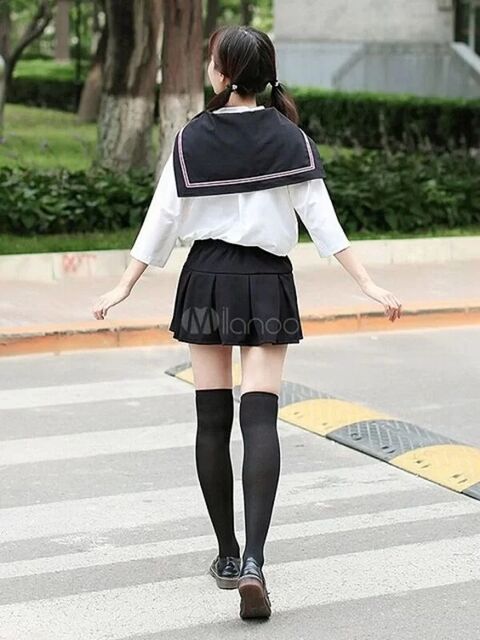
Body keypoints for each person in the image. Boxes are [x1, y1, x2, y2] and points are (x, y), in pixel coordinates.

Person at [92, 25, 402, 621]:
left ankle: (229, 556)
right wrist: (366, 283)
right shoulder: (290, 138)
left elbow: (162, 218)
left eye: (212, 60)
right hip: (266, 281)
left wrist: (125, 284)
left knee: (213, 421)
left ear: (224, 73)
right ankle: (257, 561)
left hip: (207, 278)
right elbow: (323, 220)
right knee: (260, 419)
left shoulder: (192, 138)